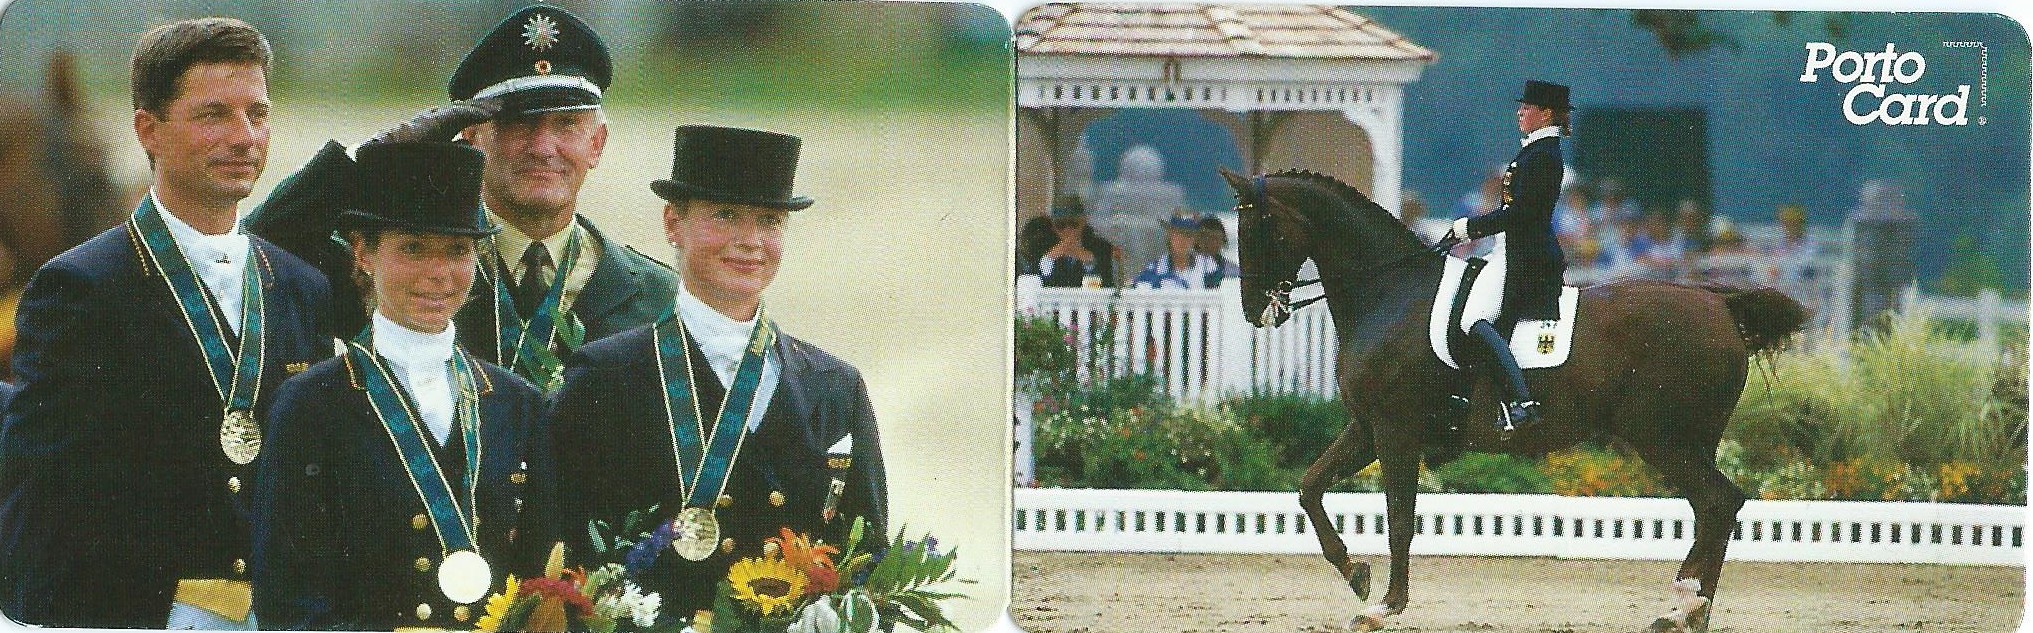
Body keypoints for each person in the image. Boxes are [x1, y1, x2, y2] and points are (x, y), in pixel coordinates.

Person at [0, 18, 334, 629]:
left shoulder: (302, 287)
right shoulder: (80, 288)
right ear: (147, 129)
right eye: (214, 115)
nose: (244, 137)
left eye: (256, 114)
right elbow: (44, 500)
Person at [551, 126, 887, 624]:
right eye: (725, 215)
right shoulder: (603, 377)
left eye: (769, 221)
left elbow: (870, 561)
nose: (749, 242)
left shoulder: (837, 386)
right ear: (673, 223)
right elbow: (565, 555)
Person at [247, 5, 677, 391]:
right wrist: (367, 159)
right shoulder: (398, 268)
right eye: (518, 125)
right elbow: (259, 255)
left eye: (566, 125)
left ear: (597, 144)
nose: (543, 148)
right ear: (470, 137)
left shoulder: (656, 295)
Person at [251, 142, 556, 630]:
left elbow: (541, 574)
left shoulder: (518, 403)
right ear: (364, 253)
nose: (438, 274)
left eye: (457, 251)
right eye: (413, 248)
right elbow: (289, 598)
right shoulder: (309, 403)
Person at [1438, 80, 1570, 433]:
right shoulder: (1535, 150)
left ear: (1546, 114)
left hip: (1525, 258)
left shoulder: (1544, 155)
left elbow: (1521, 215)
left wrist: (1469, 227)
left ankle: (1521, 401)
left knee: (1473, 318)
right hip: (1509, 250)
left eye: (1527, 108)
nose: (1520, 112)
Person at [1038, 198, 1116, 288]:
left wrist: (1088, 262)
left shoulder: (1101, 247)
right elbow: (1033, 281)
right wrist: (1049, 258)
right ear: (1053, 226)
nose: (1067, 230)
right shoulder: (1042, 245)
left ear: (1083, 222)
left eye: (1073, 223)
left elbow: (1108, 285)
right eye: (1060, 225)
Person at [1132, 213, 1223, 290]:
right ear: (1170, 236)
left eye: (1188, 235)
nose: (1182, 240)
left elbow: (1220, 294)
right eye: (1178, 235)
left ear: (1194, 239)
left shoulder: (1207, 266)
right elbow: (1141, 294)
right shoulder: (1156, 269)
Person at [1197, 216, 1240, 282]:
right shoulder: (1186, 267)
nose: (1213, 242)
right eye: (1208, 238)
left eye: (1217, 238)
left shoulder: (1231, 270)